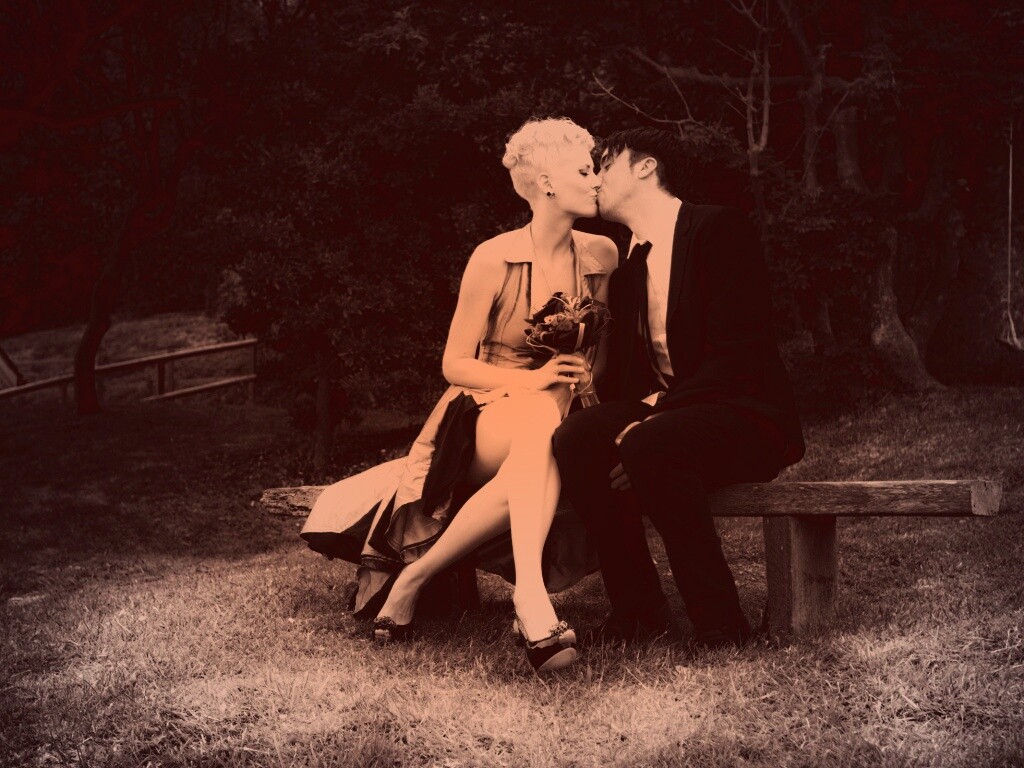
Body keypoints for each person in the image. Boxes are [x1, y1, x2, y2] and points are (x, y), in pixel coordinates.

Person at [299, 117, 617, 673]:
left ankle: (415, 577)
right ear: (546, 183)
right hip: (485, 412)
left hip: (563, 414)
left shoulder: (602, 255)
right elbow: (455, 364)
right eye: (585, 170)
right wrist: (532, 381)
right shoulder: (493, 257)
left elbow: (600, 357)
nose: (597, 180)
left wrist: (582, 378)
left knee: (542, 437)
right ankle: (531, 597)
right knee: (538, 418)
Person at [552, 127, 805, 650]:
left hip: (747, 417)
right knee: (578, 437)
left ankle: (721, 625)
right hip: (673, 424)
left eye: (605, 163)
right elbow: (631, 381)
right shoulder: (629, 270)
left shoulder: (718, 229)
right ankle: (639, 611)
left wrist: (653, 420)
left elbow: (741, 352)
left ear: (646, 167)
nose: (594, 177)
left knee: (650, 441)